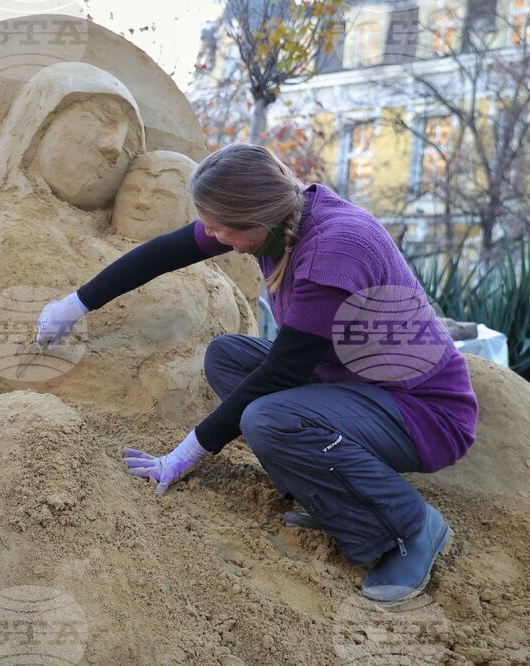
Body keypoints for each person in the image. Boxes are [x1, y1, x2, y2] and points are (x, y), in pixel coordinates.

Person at [36, 142, 478, 604]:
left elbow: (280, 374)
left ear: (257, 221)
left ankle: (410, 527)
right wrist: (76, 303)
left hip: (423, 412)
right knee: (227, 357)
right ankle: (336, 499)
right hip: (354, 384)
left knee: (268, 417)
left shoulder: (334, 252)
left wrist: (186, 452)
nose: (211, 236)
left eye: (220, 228)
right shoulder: (282, 217)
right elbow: (164, 254)